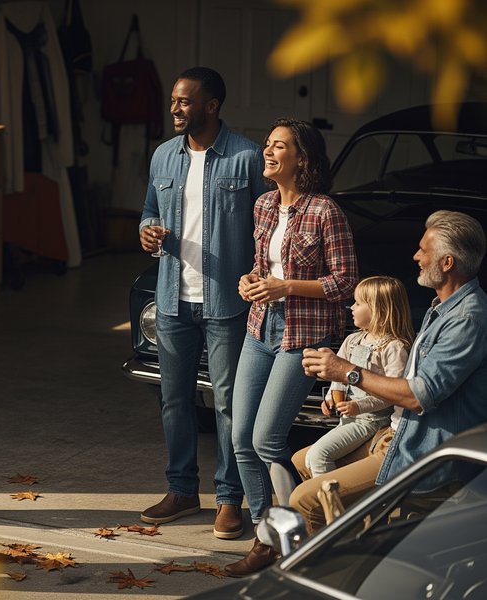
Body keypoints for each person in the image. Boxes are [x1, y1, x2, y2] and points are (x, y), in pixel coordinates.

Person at [294, 210, 487, 535]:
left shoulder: (466, 320)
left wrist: (348, 372)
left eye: (423, 250)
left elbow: (418, 396)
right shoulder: (442, 310)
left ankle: (335, 561)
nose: (416, 257)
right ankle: (362, 542)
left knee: (305, 500)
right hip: (396, 434)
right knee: (302, 460)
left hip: (424, 453)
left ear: (447, 262)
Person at [226, 117, 358, 577]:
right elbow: (262, 266)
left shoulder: (325, 212)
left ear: (302, 158)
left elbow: (345, 282)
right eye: (267, 144)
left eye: (278, 146)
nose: (267, 151)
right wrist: (250, 281)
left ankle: (287, 537)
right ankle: (271, 532)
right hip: (260, 327)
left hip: (303, 334)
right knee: (241, 437)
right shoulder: (264, 204)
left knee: (266, 438)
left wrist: (286, 288)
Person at [139, 67, 266, 540]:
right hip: (172, 300)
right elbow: (149, 210)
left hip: (227, 304)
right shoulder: (163, 156)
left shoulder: (247, 158)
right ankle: (182, 490)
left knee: (228, 404)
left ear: (211, 106)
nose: (175, 108)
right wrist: (146, 231)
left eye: (185, 101)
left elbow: (268, 228)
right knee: (175, 400)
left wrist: (262, 279)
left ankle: (230, 499)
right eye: (174, 100)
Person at [303, 276, 413, 476]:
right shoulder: (352, 340)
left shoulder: (393, 347)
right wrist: (329, 398)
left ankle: (329, 496)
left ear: (379, 310)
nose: (351, 307)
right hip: (349, 418)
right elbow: (338, 377)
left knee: (319, 456)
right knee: (310, 458)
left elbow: (393, 393)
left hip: (372, 420)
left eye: (358, 303)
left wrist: (359, 406)